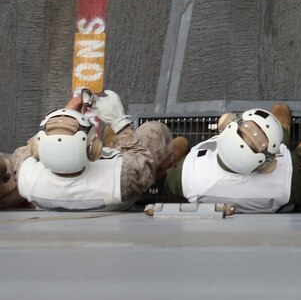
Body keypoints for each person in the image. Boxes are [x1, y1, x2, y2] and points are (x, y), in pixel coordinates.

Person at [9, 90, 185, 211]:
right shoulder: (124, 177)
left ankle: (114, 144)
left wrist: (65, 116)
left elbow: (26, 150)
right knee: (154, 130)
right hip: (131, 184)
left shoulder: (26, 178)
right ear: (94, 150)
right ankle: (165, 163)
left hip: (120, 183)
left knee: (123, 148)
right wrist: (118, 121)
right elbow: (141, 162)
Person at [162, 103, 301, 213]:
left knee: (179, 143)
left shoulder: (186, 177)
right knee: (299, 158)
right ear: (266, 166)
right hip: (284, 184)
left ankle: (176, 148)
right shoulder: (285, 185)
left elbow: (170, 182)